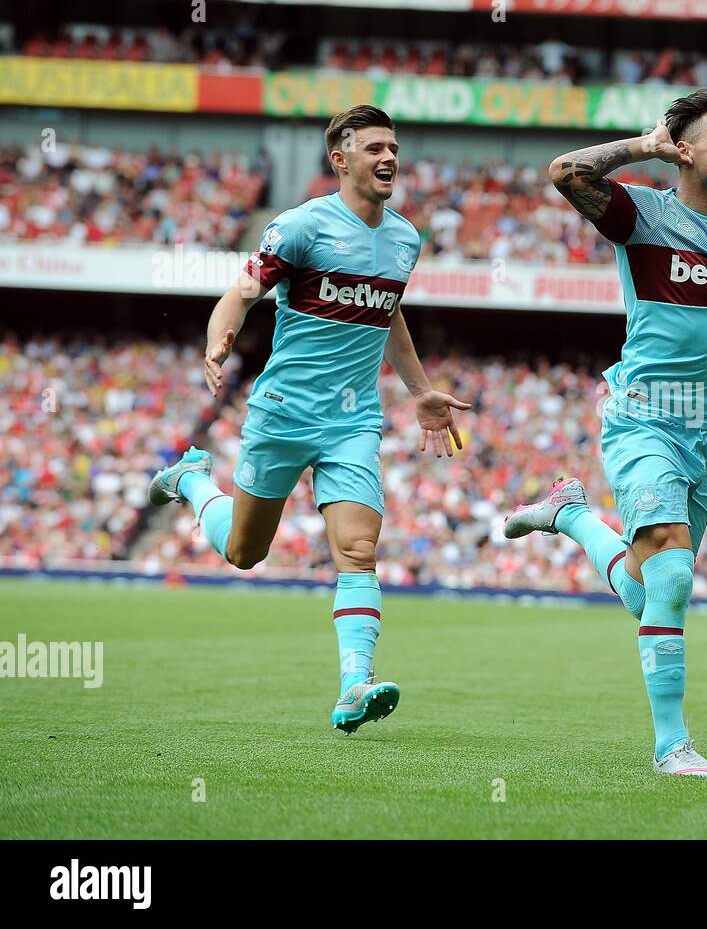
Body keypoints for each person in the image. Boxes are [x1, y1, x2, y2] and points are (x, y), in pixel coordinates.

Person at [503, 89, 707, 777]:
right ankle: (671, 746)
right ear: (684, 151)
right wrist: (642, 147)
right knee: (676, 575)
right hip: (644, 414)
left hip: (706, 432)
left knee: (651, 591)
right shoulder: (644, 212)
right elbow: (566, 172)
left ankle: (571, 514)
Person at [147, 105, 470, 734]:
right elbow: (240, 291)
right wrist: (220, 341)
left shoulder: (405, 238)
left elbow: (389, 313)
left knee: (357, 549)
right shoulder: (299, 227)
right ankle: (191, 479)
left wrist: (421, 390)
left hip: (353, 421)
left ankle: (355, 686)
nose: (389, 158)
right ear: (340, 159)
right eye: (374, 148)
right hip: (284, 412)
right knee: (244, 552)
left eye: (394, 147)